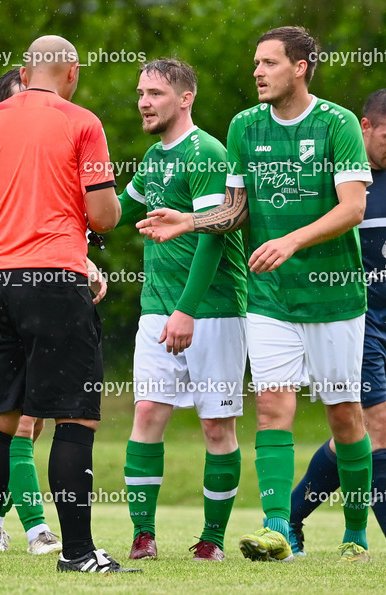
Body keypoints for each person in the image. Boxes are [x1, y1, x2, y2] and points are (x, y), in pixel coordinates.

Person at [139, 26, 374, 563]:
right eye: (255, 64)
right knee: (271, 408)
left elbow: (353, 208)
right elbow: (237, 210)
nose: (257, 73)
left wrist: (290, 240)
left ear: (301, 67)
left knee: (343, 414)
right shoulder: (245, 126)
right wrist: (189, 220)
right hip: (269, 298)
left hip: (333, 296)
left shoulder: (336, 123)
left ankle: (356, 534)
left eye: (269, 63)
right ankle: (278, 529)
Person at [0, 36, 135, 574]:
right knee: (75, 419)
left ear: (25, 71)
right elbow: (102, 216)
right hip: (54, 279)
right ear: (70, 72)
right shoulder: (82, 121)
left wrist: (14, 214)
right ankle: (77, 552)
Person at [114, 59, 247, 562]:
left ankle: (211, 540)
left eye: (155, 93)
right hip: (155, 309)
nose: (144, 101)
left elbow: (216, 232)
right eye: (141, 92)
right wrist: (72, 237)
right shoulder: (152, 156)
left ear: (185, 98)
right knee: (147, 412)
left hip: (212, 311)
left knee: (217, 425)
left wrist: (187, 310)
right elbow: (118, 211)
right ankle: (143, 535)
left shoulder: (207, 151)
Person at [0, 67, 104, 557]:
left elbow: (83, 224)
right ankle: (37, 529)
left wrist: (88, 265)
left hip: (48, 282)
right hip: (19, 286)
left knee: (31, 421)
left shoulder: (63, 142)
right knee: (17, 421)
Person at [289, 88, 386, 558]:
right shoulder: (339, 183)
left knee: (349, 438)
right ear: (364, 127)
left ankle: (289, 520)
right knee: (376, 427)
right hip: (354, 323)